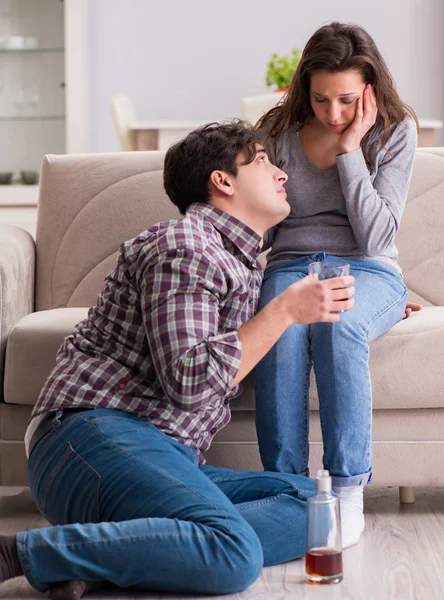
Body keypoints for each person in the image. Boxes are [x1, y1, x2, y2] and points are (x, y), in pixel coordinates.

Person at [0, 121, 355, 599]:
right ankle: (18, 554)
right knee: (234, 554)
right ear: (222, 180)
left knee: (318, 506)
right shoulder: (185, 247)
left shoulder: (241, 262)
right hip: (95, 438)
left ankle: (109, 554)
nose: (282, 173)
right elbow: (189, 380)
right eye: (263, 160)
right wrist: (285, 311)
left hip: (162, 459)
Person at [254, 21, 421, 550]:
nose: (332, 114)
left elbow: (375, 236)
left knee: (340, 325)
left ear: (370, 88)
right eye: (321, 99)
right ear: (305, 85)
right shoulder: (277, 134)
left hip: (367, 269)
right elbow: (264, 230)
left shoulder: (394, 132)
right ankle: (285, 492)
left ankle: (348, 494)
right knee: (278, 332)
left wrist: (350, 152)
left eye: (346, 100)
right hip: (290, 265)